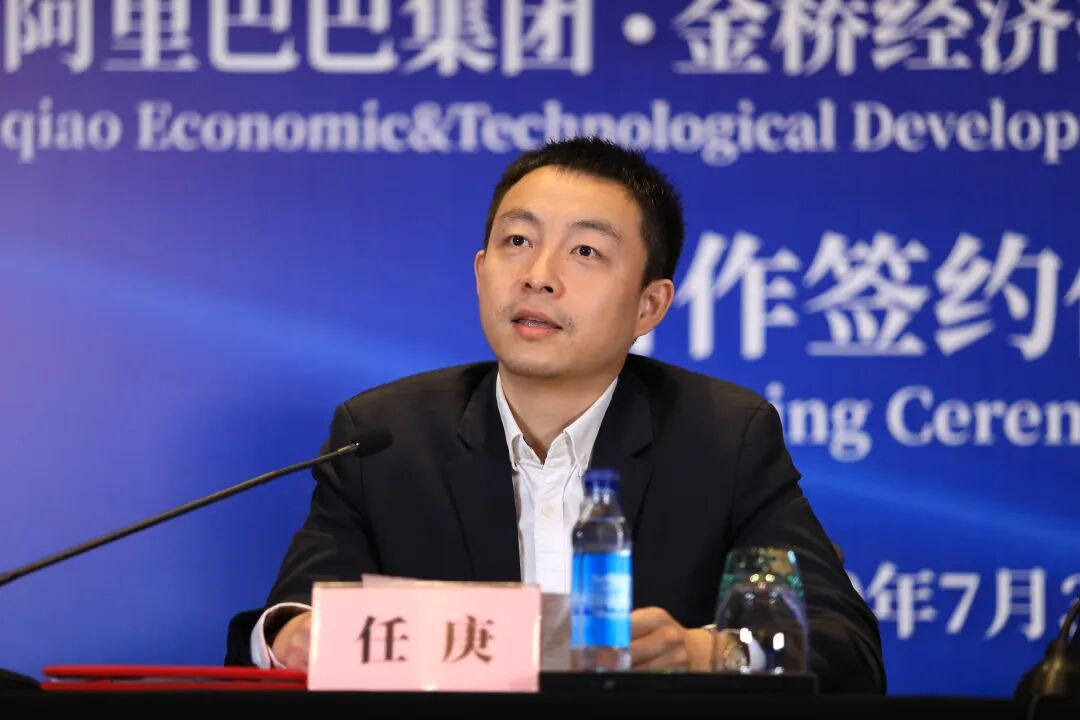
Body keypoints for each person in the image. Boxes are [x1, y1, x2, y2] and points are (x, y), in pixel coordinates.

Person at [224, 137, 886, 693]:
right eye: (517, 240)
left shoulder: (721, 436)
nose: (538, 275)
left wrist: (704, 653)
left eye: (586, 251)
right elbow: (288, 622)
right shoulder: (384, 437)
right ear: (481, 271)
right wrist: (288, 636)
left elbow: (844, 647)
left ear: (649, 306)